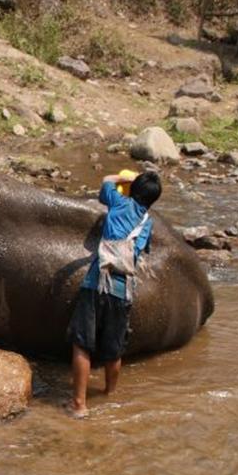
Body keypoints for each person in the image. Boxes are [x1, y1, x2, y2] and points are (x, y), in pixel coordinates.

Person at [66, 170, 162, 418]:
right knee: (114, 348)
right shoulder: (147, 222)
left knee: (82, 343)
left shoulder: (119, 201)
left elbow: (106, 181)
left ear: (132, 189)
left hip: (97, 281)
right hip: (123, 290)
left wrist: (124, 177)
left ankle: (79, 404)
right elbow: (140, 251)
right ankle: (110, 395)